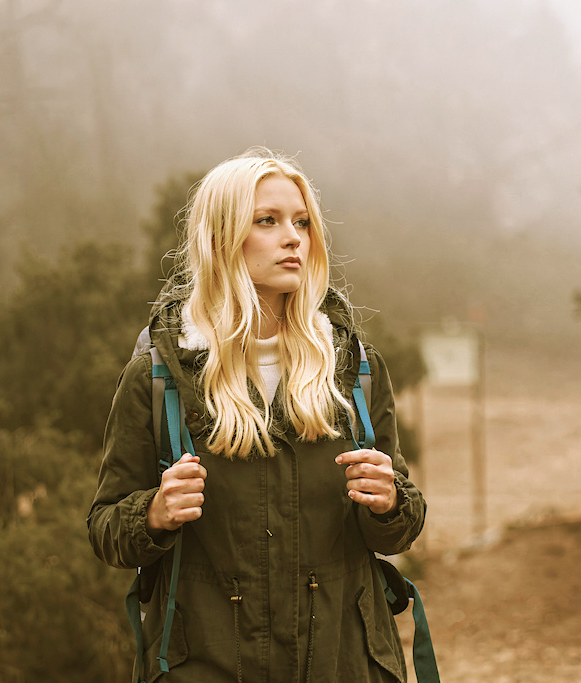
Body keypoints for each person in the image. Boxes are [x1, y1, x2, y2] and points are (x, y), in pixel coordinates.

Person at [88, 148, 427, 683]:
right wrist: (153, 512)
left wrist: (390, 503)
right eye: (267, 221)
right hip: (205, 667)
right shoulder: (157, 378)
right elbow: (105, 526)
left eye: (302, 222)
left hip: (343, 665)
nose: (293, 238)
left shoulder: (354, 369)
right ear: (221, 239)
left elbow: (399, 530)